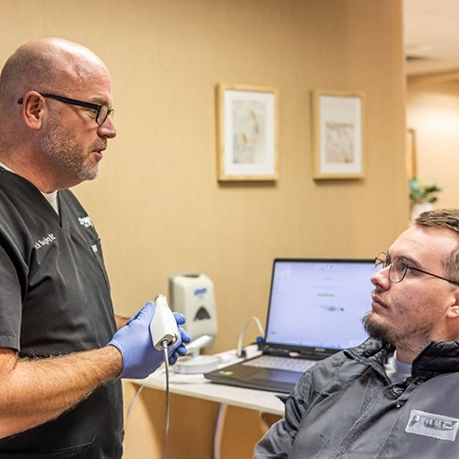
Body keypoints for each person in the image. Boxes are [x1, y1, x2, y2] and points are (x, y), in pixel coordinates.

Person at [0, 37, 190, 458]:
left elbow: (54, 323)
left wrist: (135, 328)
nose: (110, 128)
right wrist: (116, 358)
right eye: (94, 110)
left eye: (110, 113)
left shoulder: (61, 195)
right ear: (35, 109)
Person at [254, 208, 459, 459]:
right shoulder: (329, 375)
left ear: (455, 303)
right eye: (387, 262)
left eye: (405, 268)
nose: (377, 277)